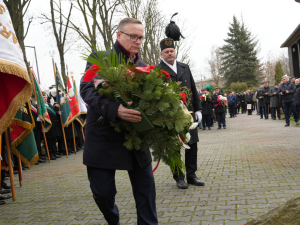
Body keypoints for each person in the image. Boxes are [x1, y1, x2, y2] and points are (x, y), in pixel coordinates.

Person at [80, 18, 158, 225]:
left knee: (146, 191)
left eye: (140, 37)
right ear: (118, 35)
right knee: (102, 193)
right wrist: (116, 110)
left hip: (135, 138)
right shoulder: (100, 58)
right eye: (133, 36)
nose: (138, 41)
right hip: (104, 137)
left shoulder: (143, 66)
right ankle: (113, 220)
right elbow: (87, 90)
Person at [156, 37, 204, 189]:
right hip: (171, 116)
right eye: (166, 52)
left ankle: (191, 175)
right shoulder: (157, 71)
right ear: (161, 54)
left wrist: (198, 109)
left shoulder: (185, 67)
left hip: (189, 115)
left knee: (192, 144)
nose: (170, 54)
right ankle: (179, 177)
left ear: (175, 51)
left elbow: (192, 89)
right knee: (175, 147)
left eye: (172, 51)